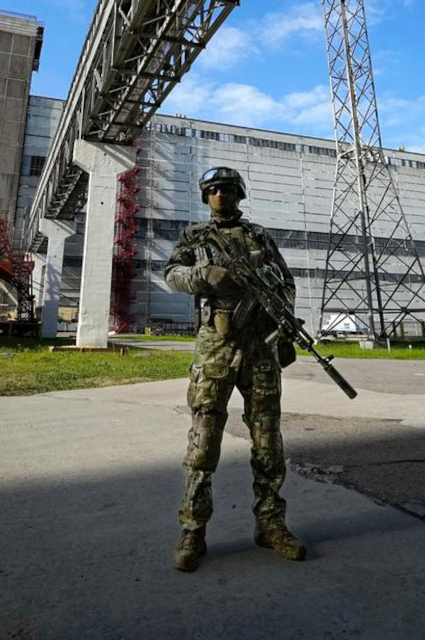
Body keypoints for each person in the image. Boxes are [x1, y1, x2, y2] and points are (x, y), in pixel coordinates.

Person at [163, 166, 307, 572]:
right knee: (204, 440)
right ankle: (193, 530)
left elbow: (286, 283)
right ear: (205, 197)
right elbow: (170, 274)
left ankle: (271, 524)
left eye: (227, 189)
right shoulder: (195, 237)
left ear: (240, 194)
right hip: (216, 349)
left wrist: (284, 324)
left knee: (267, 442)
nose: (220, 195)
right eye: (212, 190)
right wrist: (201, 275)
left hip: (260, 348)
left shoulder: (260, 236)